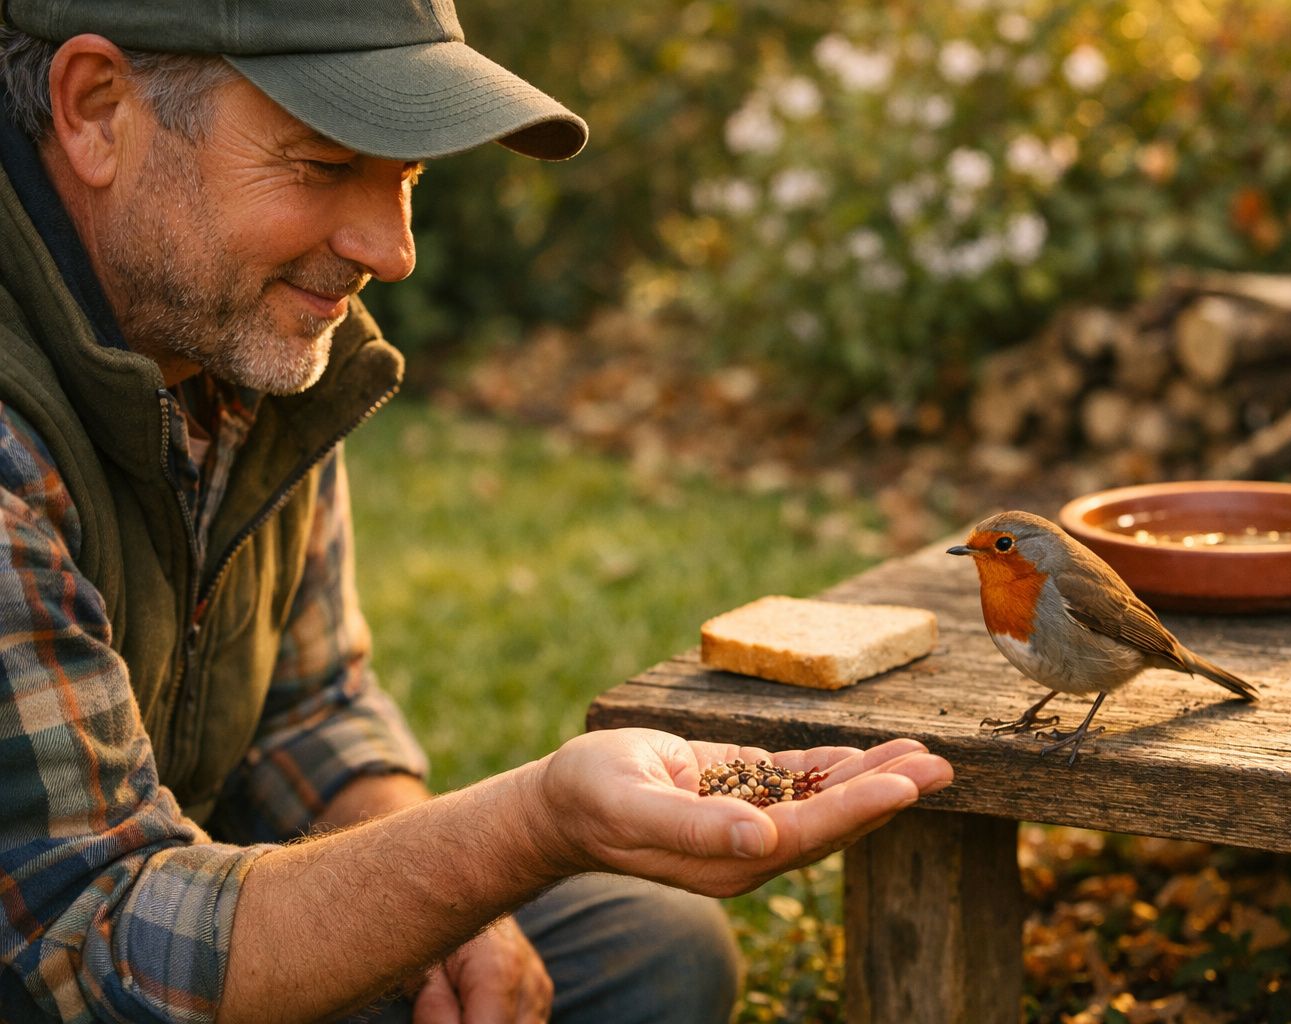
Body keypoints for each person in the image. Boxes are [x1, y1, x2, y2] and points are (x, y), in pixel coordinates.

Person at [0, 1, 955, 1022]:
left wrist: (448, 911)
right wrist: (525, 827)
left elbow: (309, 712)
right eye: (323, 165)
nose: (393, 250)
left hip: (164, 911)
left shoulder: (229, 327)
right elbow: (86, 943)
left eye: (406, 176)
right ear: (98, 110)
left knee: (647, 950)